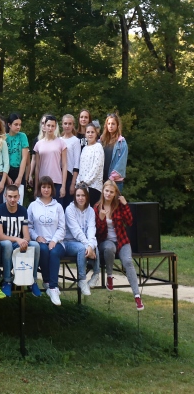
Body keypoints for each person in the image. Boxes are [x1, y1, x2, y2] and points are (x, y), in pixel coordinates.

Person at [95, 180, 142, 310]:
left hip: (122, 240)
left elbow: (130, 222)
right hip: (105, 241)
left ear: (115, 193)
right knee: (109, 248)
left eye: (111, 192)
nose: (108, 194)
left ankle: (137, 296)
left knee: (128, 262)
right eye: (106, 191)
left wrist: (126, 204)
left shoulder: (119, 206)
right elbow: (97, 233)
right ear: (103, 191)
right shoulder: (97, 207)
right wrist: (101, 219)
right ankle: (110, 276)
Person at [0, 184, 40, 297]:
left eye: (15, 197)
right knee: (8, 244)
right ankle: (7, 281)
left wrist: (24, 242)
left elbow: (27, 236)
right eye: (10, 196)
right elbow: (0, 236)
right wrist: (18, 239)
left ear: (19, 197)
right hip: (5, 244)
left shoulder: (23, 210)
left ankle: (32, 280)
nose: (12, 199)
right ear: (5, 196)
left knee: (35, 245)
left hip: (18, 243)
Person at [28, 176, 67, 305]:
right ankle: (46, 281)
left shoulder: (58, 207)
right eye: (43, 187)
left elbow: (62, 228)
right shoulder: (33, 205)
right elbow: (28, 226)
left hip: (57, 242)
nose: (46, 189)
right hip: (41, 241)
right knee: (43, 250)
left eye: (48, 187)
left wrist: (54, 240)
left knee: (54, 252)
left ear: (52, 189)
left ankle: (53, 287)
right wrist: (36, 237)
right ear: (39, 188)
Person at [64, 184, 98, 296]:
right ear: (75, 196)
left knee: (94, 245)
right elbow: (76, 231)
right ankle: (82, 280)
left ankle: (96, 275)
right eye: (78, 195)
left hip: (83, 242)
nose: (80, 198)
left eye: (83, 195)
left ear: (87, 196)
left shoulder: (91, 211)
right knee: (83, 248)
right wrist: (88, 245)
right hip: (69, 242)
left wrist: (90, 245)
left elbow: (91, 229)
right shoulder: (69, 209)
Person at [30, 115, 68, 201]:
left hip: (57, 181)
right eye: (48, 125)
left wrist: (63, 186)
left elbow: (64, 165)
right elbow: (37, 167)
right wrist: (36, 188)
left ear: (55, 127)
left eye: (52, 126)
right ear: (44, 126)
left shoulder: (61, 143)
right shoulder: (38, 144)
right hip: (42, 183)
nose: (50, 128)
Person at [76, 124, 104, 206]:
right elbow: (81, 168)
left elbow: (97, 167)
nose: (90, 134)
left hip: (93, 186)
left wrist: (86, 182)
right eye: (88, 132)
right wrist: (78, 183)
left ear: (96, 134)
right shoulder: (84, 148)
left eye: (92, 132)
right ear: (85, 134)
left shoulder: (98, 147)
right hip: (82, 187)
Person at [101, 113, 128, 192]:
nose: (110, 126)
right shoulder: (102, 140)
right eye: (109, 123)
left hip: (115, 182)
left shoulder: (122, 143)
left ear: (117, 125)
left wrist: (111, 179)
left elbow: (121, 163)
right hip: (102, 180)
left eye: (113, 124)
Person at [61, 114, 82, 207]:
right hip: (58, 174)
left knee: (67, 205)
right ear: (62, 124)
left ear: (73, 125)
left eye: (70, 124)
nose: (67, 126)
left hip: (69, 176)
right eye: (65, 123)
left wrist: (73, 183)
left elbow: (77, 163)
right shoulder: (59, 139)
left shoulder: (75, 141)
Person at [5, 114, 30, 190]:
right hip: (6, 171)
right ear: (9, 125)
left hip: (19, 170)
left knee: (19, 195)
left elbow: (24, 158)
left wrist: (20, 177)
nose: (18, 127)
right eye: (16, 124)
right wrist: (6, 177)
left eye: (20, 124)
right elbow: (1, 160)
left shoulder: (22, 136)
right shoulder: (4, 138)